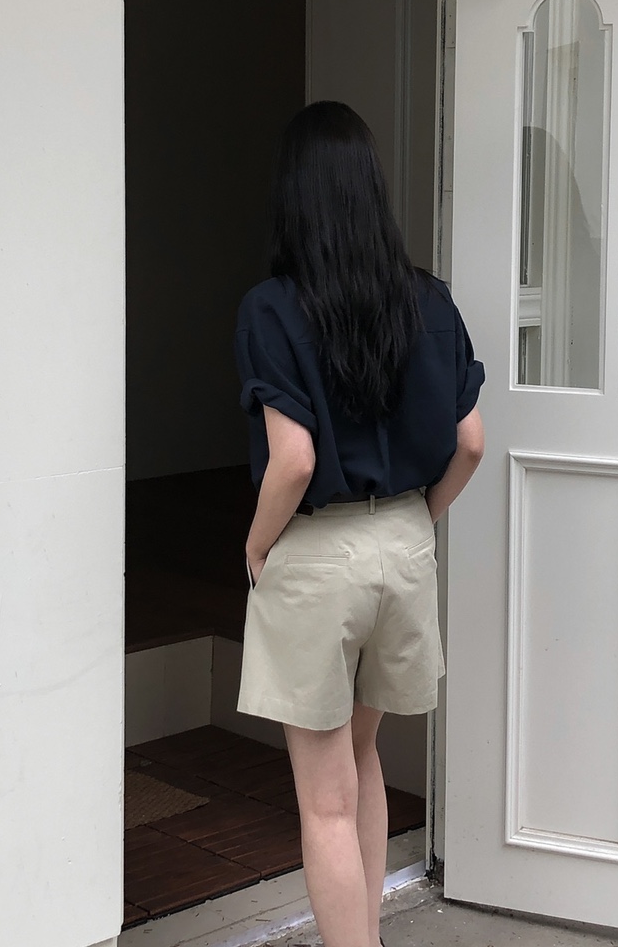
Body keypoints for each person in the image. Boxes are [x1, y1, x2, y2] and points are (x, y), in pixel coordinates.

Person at [234, 101, 484, 947]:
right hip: (405, 547)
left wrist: (258, 543)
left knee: (324, 800)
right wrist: (419, 519)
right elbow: (472, 443)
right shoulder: (430, 301)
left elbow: (294, 460)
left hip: (318, 556)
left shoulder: (272, 309)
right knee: (361, 757)